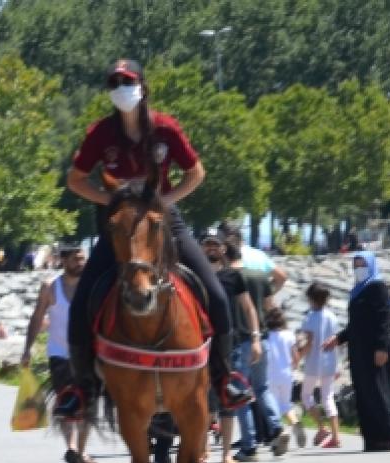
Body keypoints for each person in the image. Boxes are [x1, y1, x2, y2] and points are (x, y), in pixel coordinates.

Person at [63, 58, 251, 422]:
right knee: (82, 300)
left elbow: (196, 172)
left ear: (142, 87)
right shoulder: (100, 133)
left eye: (127, 81)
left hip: (165, 220)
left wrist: (165, 202)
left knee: (214, 292)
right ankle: (81, 388)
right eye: (114, 82)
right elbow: (76, 179)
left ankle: (225, 377)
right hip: (119, 225)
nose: (121, 87)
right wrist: (112, 202)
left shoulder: (165, 128)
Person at [324, 252, 390, 451]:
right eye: (355, 265)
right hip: (359, 350)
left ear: (371, 265)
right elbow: (355, 325)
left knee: (380, 389)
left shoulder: (378, 287)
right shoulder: (357, 291)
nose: (358, 268)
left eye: (362, 264)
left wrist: (381, 347)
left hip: (374, 348)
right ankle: (376, 438)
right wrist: (339, 338)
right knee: (365, 393)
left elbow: (384, 318)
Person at [21, 246, 94, 463]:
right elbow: (36, 318)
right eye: (75, 259)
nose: (81, 263)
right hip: (59, 354)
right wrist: (27, 349)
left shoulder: (90, 285)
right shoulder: (50, 287)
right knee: (65, 402)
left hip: (87, 354)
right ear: (63, 260)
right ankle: (71, 448)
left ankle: (80, 451)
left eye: (83, 259)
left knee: (88, 406)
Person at [221, 223, 289, 458]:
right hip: (261, 336)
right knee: (261, 387)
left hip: (240, 339)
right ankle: (276, 426)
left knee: (239, 392)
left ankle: (249, 444)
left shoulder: (228, 277)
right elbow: (272, 301)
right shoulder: (260, 271)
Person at [204, 230, 259, 463]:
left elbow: (248, 309)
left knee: (228, 399)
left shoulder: (233, 277)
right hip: (201, 344)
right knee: (204, 401)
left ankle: (226, 454)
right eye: (207, 245)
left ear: (223, 249)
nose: (211, 249)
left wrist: (255, 338)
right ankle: (203, 450)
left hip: (231, 344)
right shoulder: (196, 275)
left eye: (215, 244)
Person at [299, 282, 342, 448]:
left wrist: (299, 355)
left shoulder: (310, 317)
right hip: (330, 361)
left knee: (306, 396)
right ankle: (336, 435)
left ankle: (321, 427)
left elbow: (309, 342)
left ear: (311, 299)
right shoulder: (332, 316)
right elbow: (336, 340)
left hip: (313, 362)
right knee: (328, 397)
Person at [265, 306, 305, 447]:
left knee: (273, 407)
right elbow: (296, 356)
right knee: (286, 404)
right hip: (287, 374)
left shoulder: (267, 335)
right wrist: (294, 366)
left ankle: (281, 433)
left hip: (271, 375)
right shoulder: (289, 335)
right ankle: (294, 422)